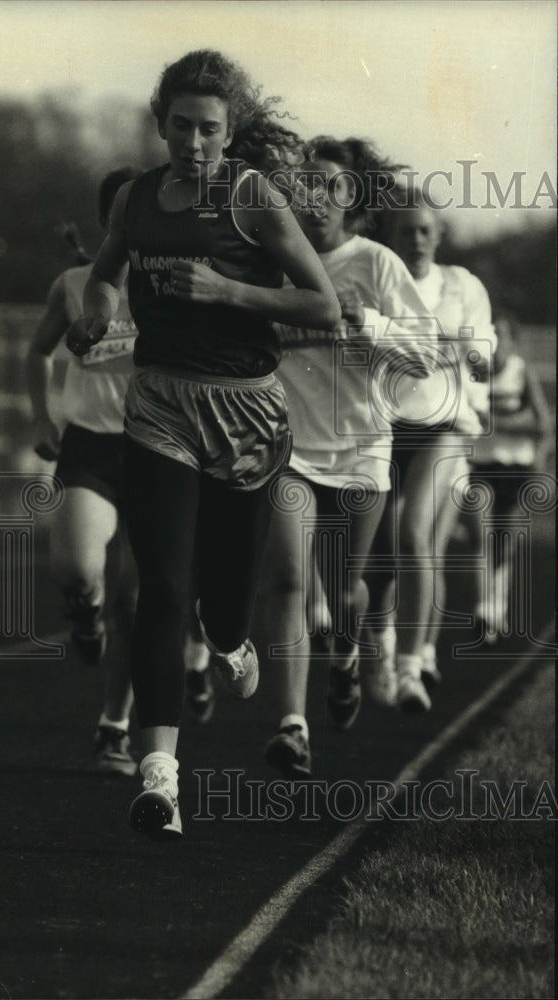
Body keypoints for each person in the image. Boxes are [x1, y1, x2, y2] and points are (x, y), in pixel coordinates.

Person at [65, 50, 340, 839]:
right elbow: (105, 273)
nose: (193, 143)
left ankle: (228, 636)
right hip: (159, 405)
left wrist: (228, 291)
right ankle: (160, 778)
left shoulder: (252, 198)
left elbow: (321, 306)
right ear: (160, 125)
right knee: (161, 586)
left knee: (223, 600)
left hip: (247, 415)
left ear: (231, 130)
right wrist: (96, 313)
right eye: (180, 126)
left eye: (209, 129)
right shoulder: (142, 199)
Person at [257, 137, 437, 778]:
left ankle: (347, 658)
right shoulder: (275, 258)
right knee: (287, 580)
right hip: (290, 450)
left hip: (363, 451)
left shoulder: (378, 263)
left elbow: (427, 357)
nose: (317, 198)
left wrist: (369, 323)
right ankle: (292, 727)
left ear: (352, 197)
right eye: (305, 185)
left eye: (331, 186)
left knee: (346, 592)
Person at [27, 167, 142, 776]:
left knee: (137, 602)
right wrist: (42, 421)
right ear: (110, 222)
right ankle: (84, 607)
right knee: (75, 569)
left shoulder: (177, 280)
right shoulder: (73, 283)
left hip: (158, 451)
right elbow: (37, 352)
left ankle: (114, 728)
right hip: (91, 448)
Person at [366, 190, 496, 711]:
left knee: (415, 535)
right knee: (378, 563)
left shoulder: (462, 286)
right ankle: (384, 647)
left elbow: (482, 345)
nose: (416, 241)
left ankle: (414, 663)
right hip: (382, 427)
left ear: (438, 235)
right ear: (389, 238)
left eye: (424, 231)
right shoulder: (377, 281)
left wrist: (476, 357)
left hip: (444, 428)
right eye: (405, 232)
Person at [465, 313, 552, 641]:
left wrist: (499, 425)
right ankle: (484, 607)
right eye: (491, 334)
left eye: (501, 335)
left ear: (513, 341)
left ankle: (497, 607)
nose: (496, 342)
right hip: (481, 465)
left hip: (515, 466)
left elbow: (543, 424)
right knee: (479, 535)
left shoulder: (520, 372)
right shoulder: (474, 372)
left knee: (504, 541)